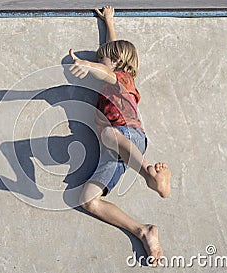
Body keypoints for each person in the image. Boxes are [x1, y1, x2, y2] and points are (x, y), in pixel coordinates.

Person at [68, 6, 171, 266]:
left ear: (117, 64)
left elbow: (106, 70)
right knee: (89, 200)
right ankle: (143, 231)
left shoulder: (123, 79)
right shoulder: (114, 70)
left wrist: (89, 65)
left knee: (109, 134)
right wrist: (109, 22)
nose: (99, 60)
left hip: (127, 134)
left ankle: (149, 174)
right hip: (114, 148)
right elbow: (110, 54)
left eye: (103, 59)